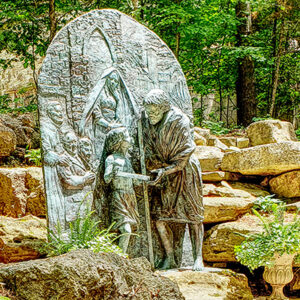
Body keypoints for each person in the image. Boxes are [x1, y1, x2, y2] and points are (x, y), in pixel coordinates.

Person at [142, 89, 204, 271]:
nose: (150, 115)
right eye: (148, 111)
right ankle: (170, 256)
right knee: (160, 218)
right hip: (164, 172)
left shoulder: (179, 121)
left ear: (163, 108)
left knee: (193, 216)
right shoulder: (147, 121)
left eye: (153, 111)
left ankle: (198, 257)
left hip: (184, 171)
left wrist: (165, 170)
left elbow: (184, 155)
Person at [79, 67, 139, 160]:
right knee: (101, 156)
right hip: (101, 128)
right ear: (106, 79)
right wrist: (109, 125)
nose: (113, 82)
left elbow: (119, 116)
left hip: (114, 129)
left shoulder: (117, 96)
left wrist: (118, 100)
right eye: (111, 79)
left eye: (115, 81)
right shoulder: (100, 94)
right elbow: (97, 115)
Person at [103, 127, 139, 253]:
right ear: (120, 140)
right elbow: (106, 178)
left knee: (131, 229)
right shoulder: (111, 158)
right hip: (118, 196)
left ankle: (121, 255)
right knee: (126, 230)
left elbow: (135, 181)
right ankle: (120, 257)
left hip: (130, 196)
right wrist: (113, 173)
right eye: (127, 136)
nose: (130, 139)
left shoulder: (127, 161)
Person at [41, 101, 69, 231]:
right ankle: (56, 231)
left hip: (56, 171)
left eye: (61, 111)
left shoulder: (54, 129)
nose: (60, 114)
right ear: (49, 113)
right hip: (50, 172)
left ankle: (59, 229)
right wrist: (59, 158)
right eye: (57, 112)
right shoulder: (46, 130)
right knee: (54, 202)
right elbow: (46, 154)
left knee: (59, 202)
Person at [57, 130, 95, 224]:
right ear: (63, 144)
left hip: (85, 200)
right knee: (76, 230)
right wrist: (85, 179)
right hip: (74, 202)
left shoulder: (78, 157)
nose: (73, 145)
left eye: (74, 142)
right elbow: (68, 180)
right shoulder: (64, 159)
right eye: (69, 143)